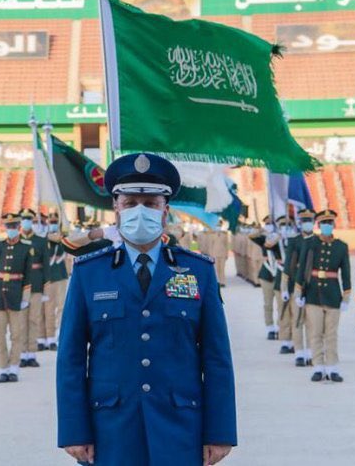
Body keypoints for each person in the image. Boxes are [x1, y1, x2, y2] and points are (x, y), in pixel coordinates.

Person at [57, 152, 236, 466]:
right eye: (130, 203)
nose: (140, 211)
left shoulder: (197, 272)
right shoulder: (89, 272)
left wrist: (219, 432)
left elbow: (216, 357)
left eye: (151, 204)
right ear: (116, 208)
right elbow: (71, 358)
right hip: (110, 428)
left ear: (165, 210)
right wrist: (74, 431)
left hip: (180, 426)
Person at [294, 209, 351, 382]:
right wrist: (299, 291)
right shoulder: (311, 243)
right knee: (316, 332)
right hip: (313, 294)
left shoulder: (341, 246)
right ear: (319, 225)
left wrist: (346, 295)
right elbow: (303, 268)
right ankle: (318, 366)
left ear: (334, 225)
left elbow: (346, 273)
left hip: (333, 295)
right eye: (324, 223)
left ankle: (332, 367)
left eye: (329, 223)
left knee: (331, 333)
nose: (327, 226)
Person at [0, 212, 33, 383]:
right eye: (9, 226)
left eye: (14, 226)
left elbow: (28, 276)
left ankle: (14, 368)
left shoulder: (26, 247)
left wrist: (25, 297)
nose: (11, 229)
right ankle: (2, 368)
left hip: (16, 295)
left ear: (18, 227)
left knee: (16, 335)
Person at [281, 210, 316, 367]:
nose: (307, 223)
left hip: (314, 286)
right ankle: (300, 353)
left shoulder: (318, 241)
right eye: (304, 220)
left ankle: (310, 352)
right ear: (300, 223)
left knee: (312, 322)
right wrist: (284, 288)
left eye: (310, 220)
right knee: (297, 321)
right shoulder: (294, 241)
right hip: (296, 285)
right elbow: (288, 267)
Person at [18, 208, 50, 362]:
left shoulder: (40, 240)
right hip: (20, 287)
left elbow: (46, 266)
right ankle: (22, 353)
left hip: (36, 286)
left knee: (34, 320)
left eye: (28, 219)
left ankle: (32, 353)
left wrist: (45, 288)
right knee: (22, 321)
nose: (26, 222)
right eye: (23, 219)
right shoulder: (15, 241)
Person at [248, 216, 281, 340]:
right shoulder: (263, 238)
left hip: (279, 273)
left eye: (271, 223)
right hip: (266, 274)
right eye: (267, 223)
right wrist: (260, 230)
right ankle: (270, 328)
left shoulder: (281, 238)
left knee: (280, 304)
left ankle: (280, 327)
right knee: (268, 304)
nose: (269, 225)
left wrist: (279, 235)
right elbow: (251, 237)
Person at [44, 212, 69, 349]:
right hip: (48, 279)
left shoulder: (63, 239)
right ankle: (50, 338)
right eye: (51, 221)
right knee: (49, 308)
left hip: (61, 277)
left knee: (61, 308)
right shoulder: (44, 239)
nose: (53, 224)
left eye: (55, 222)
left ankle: (59, 335)